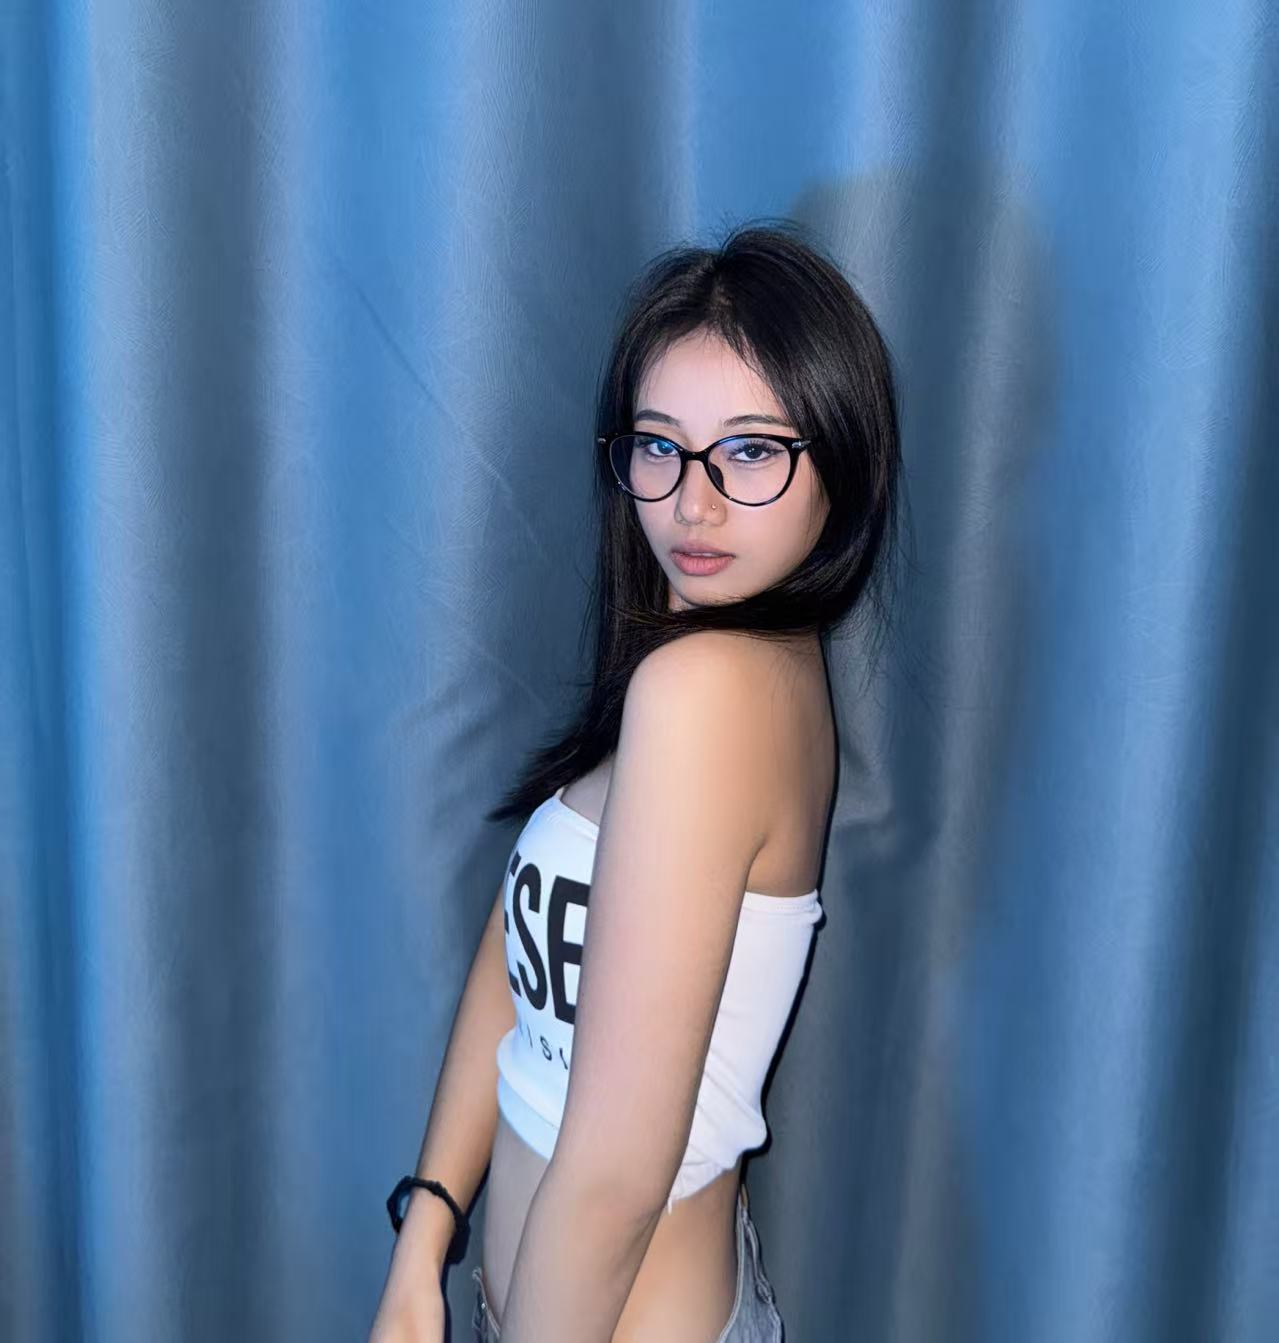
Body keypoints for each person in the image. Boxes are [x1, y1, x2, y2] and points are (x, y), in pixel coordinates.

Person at [369, 218, 903, 1342]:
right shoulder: (703, 665)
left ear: (840, 466)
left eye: (750, 452)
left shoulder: (705, 693)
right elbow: (518, 967)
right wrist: (426, 1233)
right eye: (660, 446)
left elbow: (617, 1172)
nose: (691, 502)